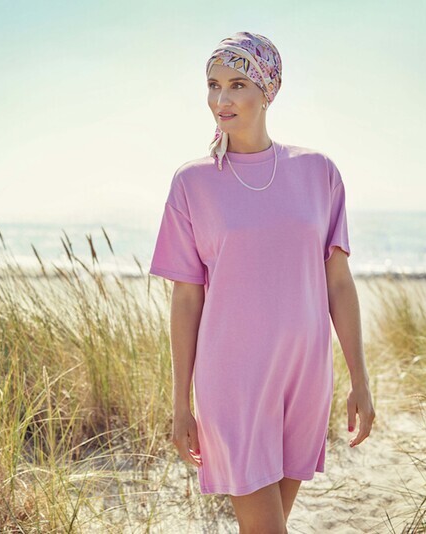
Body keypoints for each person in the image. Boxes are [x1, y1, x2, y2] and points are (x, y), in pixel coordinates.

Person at [148, 31, 375, 532]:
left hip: (305, 375)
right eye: (213, 85)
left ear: (268, 90)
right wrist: (180, 403)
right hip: (232, 379)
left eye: (237, 85)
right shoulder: (192, 183)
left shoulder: (319, 172)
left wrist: (360, 379)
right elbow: (186, 299)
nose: (221, 99)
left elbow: (338, 284)